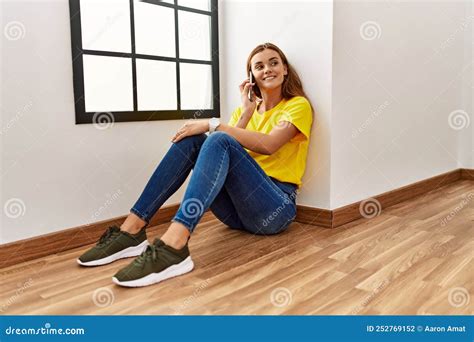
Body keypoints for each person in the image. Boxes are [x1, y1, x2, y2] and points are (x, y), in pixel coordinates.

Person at [77, 42, 313, 288]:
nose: (267, 69)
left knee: (217, 136)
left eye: (274, 63)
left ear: (285, 69)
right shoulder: (243, 112)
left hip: (274, 208)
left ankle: (174, 245)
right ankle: (131, 231)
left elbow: (269, 144)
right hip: (235, 214)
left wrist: (211, 124)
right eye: (259, 66)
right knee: (196, 140)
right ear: (251, 76)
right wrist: (246, 112)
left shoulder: (298, 105)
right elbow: (222, 153)